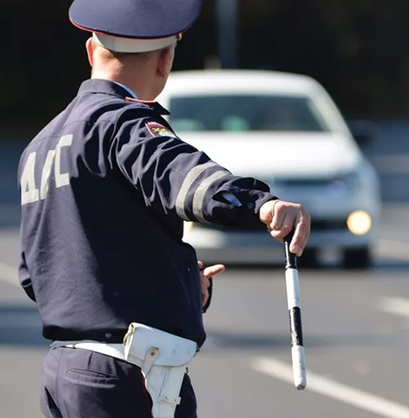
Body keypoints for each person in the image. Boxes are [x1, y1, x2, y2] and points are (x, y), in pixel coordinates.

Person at [16, 0, 310, 417]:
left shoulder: (40, 145)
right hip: (127, 376)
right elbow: (183, 177)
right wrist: (261, 205)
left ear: (90, 50)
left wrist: (174, 280)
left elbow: (39, 275)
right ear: (165, 59)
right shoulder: (125, 123)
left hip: (65, 373)